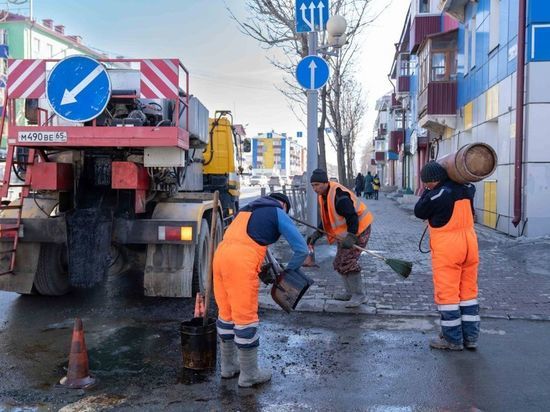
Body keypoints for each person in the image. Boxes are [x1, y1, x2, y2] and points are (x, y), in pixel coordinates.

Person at [213, 192, 308, 387]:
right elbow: (302, 250)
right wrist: (289, 272)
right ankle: (249, 375)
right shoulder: (278, 211)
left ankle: (228, 366)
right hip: (241, 262)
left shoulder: (245, 211)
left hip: (220, 257)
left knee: (226, 314)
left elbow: (254, 241)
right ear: (284, 205)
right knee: (245, 318)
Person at [414, 161, 480, 351]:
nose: (426, 186)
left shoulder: (439, 194)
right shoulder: (467, 188)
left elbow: (419, 211)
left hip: (449, 249)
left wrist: (426, 191)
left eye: (427, 183)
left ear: (432, 181)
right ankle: (471, 337)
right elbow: (468, 185)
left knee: (448, 295)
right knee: (468, 293)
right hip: (470, 245)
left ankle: (452, 339)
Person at [307, 168, 374, 307]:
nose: (315, 188)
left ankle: (359, 295)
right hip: (348, 232)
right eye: (313, 185)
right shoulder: (324, 196)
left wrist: (351, 236)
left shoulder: (339, 196)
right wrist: (318, 233)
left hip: (360, 229)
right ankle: (350, 292)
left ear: (325, 183)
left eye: (317, 185)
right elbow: (326, 218)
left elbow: (352, 217)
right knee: (339, 262)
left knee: (347, 261)